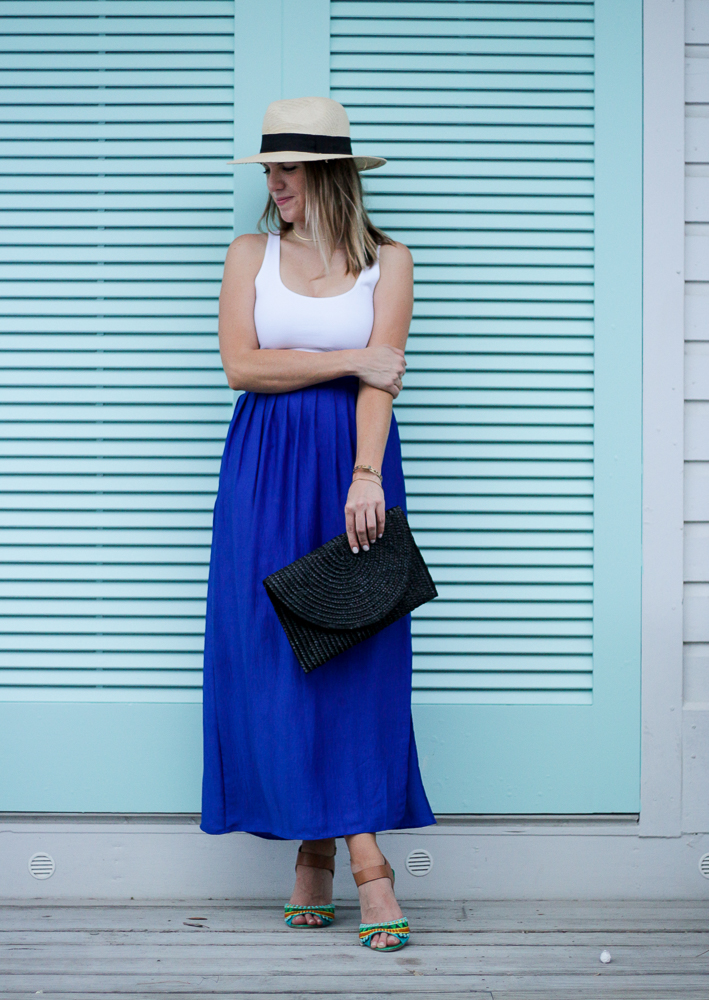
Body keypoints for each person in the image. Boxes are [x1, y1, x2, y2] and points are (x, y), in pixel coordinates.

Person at [200, 96, 435, 952]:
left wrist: (365, 474)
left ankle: (338, 853)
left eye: (287, 169)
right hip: (263, 467)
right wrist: (346, 355)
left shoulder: (389, 260)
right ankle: (333, 850)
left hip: (354, 464)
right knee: (274, 649)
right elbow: (240, 366)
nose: (274, 184)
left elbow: (385, 380)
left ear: (328, 172)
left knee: (353, 647)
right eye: (267, 170)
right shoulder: (249, 254)